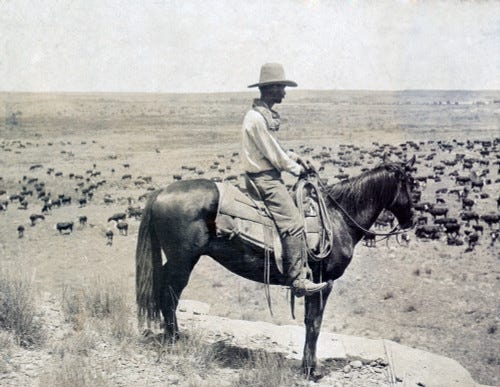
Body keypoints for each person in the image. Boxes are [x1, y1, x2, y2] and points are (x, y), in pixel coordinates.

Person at [241, 63, 328, 297]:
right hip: (265, 180)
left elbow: (274, 149)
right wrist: (296, 169)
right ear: (270, 89)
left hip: (267, 175)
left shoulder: (261, 116)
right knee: (294, 223)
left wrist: (296, 157)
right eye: (281, 87)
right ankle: (297, 280)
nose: (284, 92)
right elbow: (274, 156)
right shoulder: (257, 119)